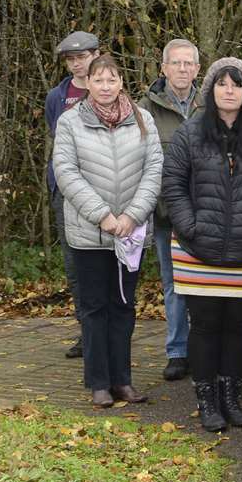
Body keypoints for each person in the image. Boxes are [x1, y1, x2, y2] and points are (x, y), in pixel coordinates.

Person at [162, 57, 242, 433]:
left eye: (237, 84)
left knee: (237, 326)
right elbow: (173, 184)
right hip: (197, 247)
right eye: (222, 84)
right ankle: (207, 400)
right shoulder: (190, 133)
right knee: (204, 326)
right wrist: (190, 226)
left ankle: (231, 396)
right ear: (211, 89)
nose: (230, 90)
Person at [50, 53, 163, 408]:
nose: (104, 86)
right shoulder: (70, 122)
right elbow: (66, 172)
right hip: (89, 234)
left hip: (129, 233)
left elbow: (154, 169)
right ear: (89, 82)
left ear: (120, 82)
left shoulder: (142, 119)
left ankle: (123, 381)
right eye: (98, 80)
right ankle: (98, 382)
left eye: (111, 79)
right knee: (95, 308)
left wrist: (132, 215)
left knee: (124, 307)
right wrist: (103, 216)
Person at [142, 37, 200, 382]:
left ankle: (204, 347)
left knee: (206, 284)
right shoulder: (145, 109)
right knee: (174, 283)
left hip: (206, 213)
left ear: (197, 69)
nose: (182, 69)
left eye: (188, 63)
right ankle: (177, 351)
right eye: (175, 63)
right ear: (163, 68)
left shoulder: (210, 105)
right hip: (167, 214)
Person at [46, 29, 99, 360]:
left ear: (96, 55)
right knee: (75, 264)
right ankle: (85, 330)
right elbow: (58, 141)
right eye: (71, 59)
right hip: (65, 192)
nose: (78, 64)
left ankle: (106, 328)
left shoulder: (109, 89)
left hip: (104, 190)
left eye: (83, 57)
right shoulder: (57, 96)